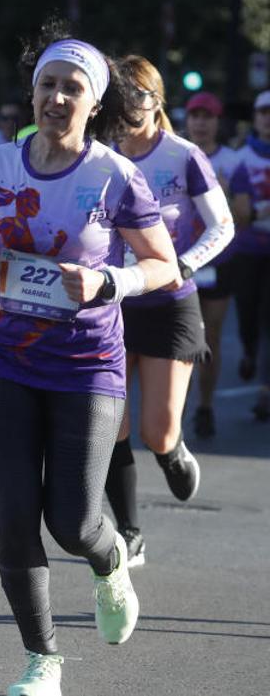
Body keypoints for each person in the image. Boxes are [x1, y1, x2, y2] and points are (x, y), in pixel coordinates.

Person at [0, 32, 178, 696]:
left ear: (93, 101)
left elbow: (162, 264)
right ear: (32, 93)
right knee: (14, 515)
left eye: (72, 88)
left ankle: (111, 562)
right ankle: (42, 660)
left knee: (73, 519)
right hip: (4, 357)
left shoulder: (114, 175)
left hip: (87, 361)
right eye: (48, 85)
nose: (57, 97)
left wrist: (109, 282)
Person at [106, 56, 232, 569]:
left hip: (170, 302)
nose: (130, 105)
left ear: (157, 101)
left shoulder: (183, 156)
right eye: (122, 95)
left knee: (156, 430)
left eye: (139, 94)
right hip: (114, 301)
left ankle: (173, 452)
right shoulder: (102, 156)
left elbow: (221, 226)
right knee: (112, 422)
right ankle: (129, 533)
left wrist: (183, 264)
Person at [182, 91, 241, 438]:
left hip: (219, 261)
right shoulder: (175, 154)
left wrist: (228, 195)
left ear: (218, 122)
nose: (201, 122)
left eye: (208, 116)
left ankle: (205, 406)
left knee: (211, 337)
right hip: (181, 261)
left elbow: (242, 215)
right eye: (195, 116)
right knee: (182, 339)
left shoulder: (233, 161)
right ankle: (177, 410)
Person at [230, 89, 270, 421]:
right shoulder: (241, 158)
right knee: (247, 313)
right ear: (255, 118)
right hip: (247, 250)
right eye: (263, 112)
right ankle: (248, 351)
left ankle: (265, 390)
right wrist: (258, 212)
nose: (268, 118)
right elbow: (240, 214)